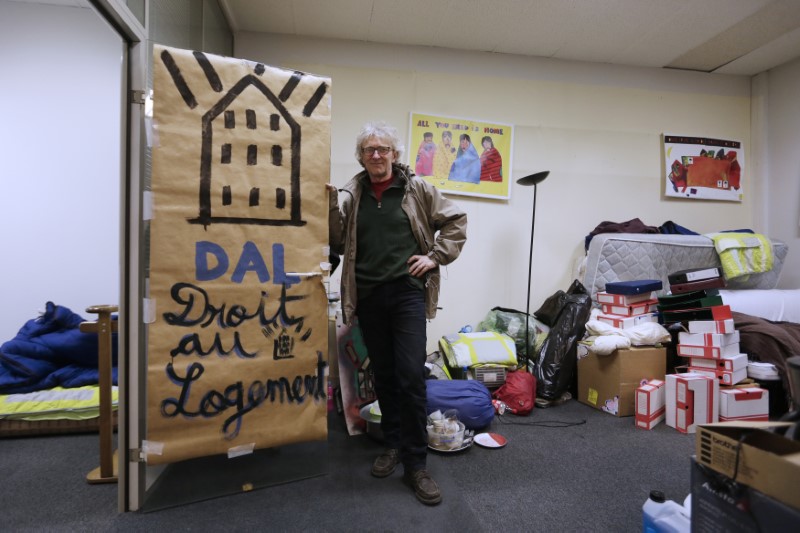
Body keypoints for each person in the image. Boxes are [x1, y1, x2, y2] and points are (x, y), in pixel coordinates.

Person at [328, 121, 467, 506]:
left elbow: (456, 221)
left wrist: (434, 257)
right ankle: (391, 443)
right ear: (361, 156)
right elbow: (338, 242)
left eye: (383, 149)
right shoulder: (351, 194)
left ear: (394, 154)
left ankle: (416, 464)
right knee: (384, 375)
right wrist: (327, 206)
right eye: (369, 149)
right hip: (369, 296)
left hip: (406, 295)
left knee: (410, 376)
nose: (376, 155)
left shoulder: (416, 189)